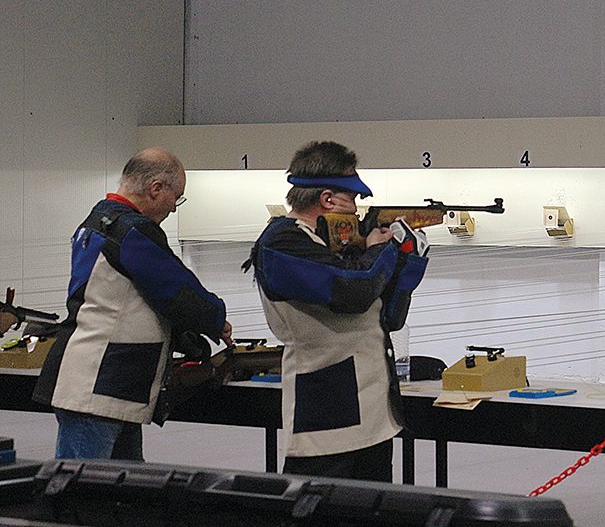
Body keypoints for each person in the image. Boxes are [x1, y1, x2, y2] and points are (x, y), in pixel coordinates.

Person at [33, 147, 232, 461]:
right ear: (156, 188)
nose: (174, 208)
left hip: (112, 385)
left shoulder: (100, 219)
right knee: (83, 486)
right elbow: (176, 289)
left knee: (124, 486)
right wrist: (216, 319)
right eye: (176, 197)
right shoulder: (132, 231)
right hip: (100, 386)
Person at [245, 141, 428, 481]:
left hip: (375, 413)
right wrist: (381, 251)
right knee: (318, 504)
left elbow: (388, 318)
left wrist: (407, 260)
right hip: (326, 413)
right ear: (328, 199)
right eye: (352, 199)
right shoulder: (282, 244)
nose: (357, 211)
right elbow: (354, 291)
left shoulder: (336, 248)